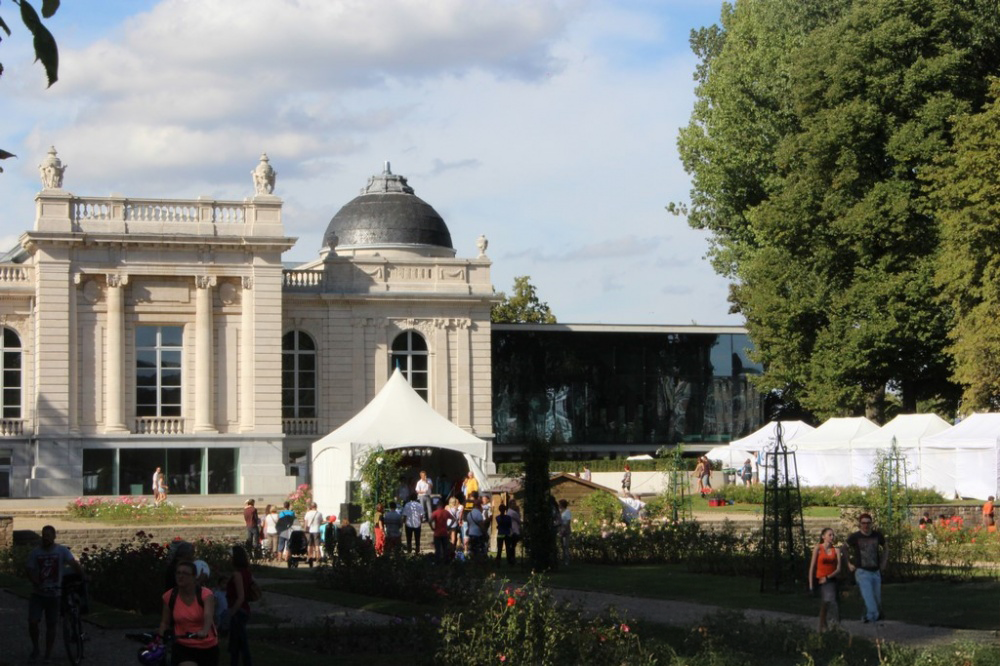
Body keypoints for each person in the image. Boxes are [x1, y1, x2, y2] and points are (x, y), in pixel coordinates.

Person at [26, 525, 84, 663]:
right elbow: (29, 570)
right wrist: (35, 581)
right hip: (38, 593)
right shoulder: (35, 553)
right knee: (33, 622)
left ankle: (48, 654)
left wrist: (83, 575)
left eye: (48, 535)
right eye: (44, 535)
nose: (45, 538)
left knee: (51, 625)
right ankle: (36, 648)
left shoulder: (61, 551)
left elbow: (73, 564)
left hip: (54, 594)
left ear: (54, 536)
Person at [158, 559, 218, 666]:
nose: (180, 576)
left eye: (185, 573)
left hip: (207, 645)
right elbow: (165, 622)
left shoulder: (205, 594)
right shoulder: (169, 596)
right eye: (178, 573)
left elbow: (208, 615)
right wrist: (160, 639)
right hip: (183, 646)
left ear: (194, 577)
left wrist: (204, 631)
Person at [846, 513, 888, 623]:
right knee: (869, 596)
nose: (866, 525)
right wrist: (848, 563)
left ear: (871, 524)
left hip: (875, 571)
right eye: (863, 523)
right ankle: (872, 617)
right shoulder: (855, 536)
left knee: (876, 598)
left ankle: (866, 616)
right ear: (860, 524)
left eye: (868, 523)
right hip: (862, 572)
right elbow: (844, 548)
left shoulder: (877, 535)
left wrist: (884, 562)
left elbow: (886, 548)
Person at [808, 527, 841, 632]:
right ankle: (823, 626)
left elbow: (838, 569)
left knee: (829, 601)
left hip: (830, 579)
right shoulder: (818, 548)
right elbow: (812, 567)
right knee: (824, 603)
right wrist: (811, 585)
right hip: (820, 579)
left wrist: (828, 577)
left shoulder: (836, 550)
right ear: (823, 537)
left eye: (833, 535)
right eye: (829, 535)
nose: (832, 537)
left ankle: (827, 625)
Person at [226, 545, 254, 666]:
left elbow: (240, 596)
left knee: (241, 643)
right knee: (237, 643)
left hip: (238, 610)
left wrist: (232, 612)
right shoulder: (246, 572)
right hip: (244, 609)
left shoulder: (237, 574)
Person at [429, 498, 451, 564]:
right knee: (445, 548)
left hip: (437, 533)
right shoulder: (446, 512)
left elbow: (430, 521)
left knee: (437, 549)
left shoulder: (435, 512)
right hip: (444, 532)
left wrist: (432, 527)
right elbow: (453, 519)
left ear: (437, 505)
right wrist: (449, 526)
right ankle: (446, 562)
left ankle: (437, 562)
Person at [465, 491, 486, 558]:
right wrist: (484, 532)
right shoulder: (478, 514)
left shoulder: (469, 513)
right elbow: (481, 524)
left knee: (472, 549)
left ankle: (472, 560)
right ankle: (477, 560)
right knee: (478, 550)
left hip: (471, 534)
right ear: (479, 506)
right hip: (477, 534)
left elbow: (468, 524)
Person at [507, 498, 522, 563]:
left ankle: (511, 559)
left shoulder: (509, 511)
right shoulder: (513, 512)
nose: (514, 505)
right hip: (514, 531)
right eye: (513, 504)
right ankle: (512, 559)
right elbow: (519, 520)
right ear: (510, 505)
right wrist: (518, 511)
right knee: (513, 546)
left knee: (512, 546)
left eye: (514, 504)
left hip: (511, 531)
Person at [558, 499, 572, 566]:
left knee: (566, 545)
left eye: (559, 504)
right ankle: (563, 559)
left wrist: (564, 529)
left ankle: (567, 561)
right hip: (561, 529)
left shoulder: (567, 512)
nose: (558, 505)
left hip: (566, 529)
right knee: (562, 546)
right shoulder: (560, 511)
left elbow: (568, 522)